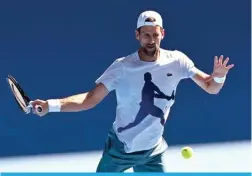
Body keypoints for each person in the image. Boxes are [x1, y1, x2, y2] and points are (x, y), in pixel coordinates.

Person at [31, 10, 234, 172]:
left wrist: (219, 76)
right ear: (137, 35)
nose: (151, 40)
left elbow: (211, 87)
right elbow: (89, 99)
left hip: (153, 151)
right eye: (146, 35)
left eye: (155, 34)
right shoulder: (122, 67)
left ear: (162, 34)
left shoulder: (178, 61)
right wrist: (51, 105)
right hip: (120, 149)